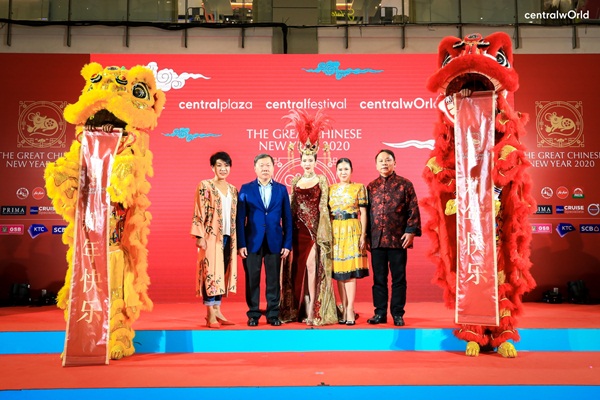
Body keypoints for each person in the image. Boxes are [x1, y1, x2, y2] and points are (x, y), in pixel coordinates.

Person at [366, 149, 421, 327]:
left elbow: (413, 209)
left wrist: (411, 231)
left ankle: (397, 313)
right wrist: (366, 236)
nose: (384, 163)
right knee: (378, 279)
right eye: (381, 161)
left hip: (398, 240)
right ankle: (379, 313)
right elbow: (366, 214)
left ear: (394, 163)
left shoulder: (405, 184)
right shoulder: (371, 187)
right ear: (376, 165)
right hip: (376, 239)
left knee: (399, 278)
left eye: (388, 160)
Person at [237, 153, 292, 327]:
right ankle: (253, 314)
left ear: (273, 167)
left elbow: (287, 218)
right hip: (251, 241)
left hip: (275, 241)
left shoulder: (281, 189)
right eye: (261, 165)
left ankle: (273, 314)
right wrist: (241, 244)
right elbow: (240, 219)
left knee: (273, 280)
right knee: (252, 279)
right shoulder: (246, 189)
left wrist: (287, 243)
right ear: (255, 168)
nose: (265, 168)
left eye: (268, 165)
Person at [191, 151, 238, 329]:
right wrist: (199, 236)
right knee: (209, 272)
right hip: (210, 237)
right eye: (219, 165)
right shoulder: (205, 186)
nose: (223, 169)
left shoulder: (233, 190)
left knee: (222, 273)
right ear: (212, 167)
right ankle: (210, 312)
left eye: (226, 165)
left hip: (228, 237)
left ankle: (217, 309)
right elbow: (198, 210)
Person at [329, 158, 369, 326]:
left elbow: (363, 213)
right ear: (336, 171)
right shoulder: (330, 189)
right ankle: (344, 308)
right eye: (340, 169)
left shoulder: (359, 187)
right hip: (335, 231)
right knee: (340, 272)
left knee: (350, 272)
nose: (343, 172)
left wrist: (363, 235)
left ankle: (350, 308)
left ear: (351, 170)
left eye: (346, 169)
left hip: (352, 229)